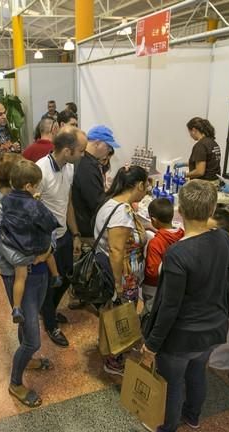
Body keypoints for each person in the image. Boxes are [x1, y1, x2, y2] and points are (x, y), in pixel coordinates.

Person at [142, 180, 229, 432]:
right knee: (197, 372)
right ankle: (192, 416)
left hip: (182, 335)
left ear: (180, 210)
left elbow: (169, 306)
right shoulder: (222, 238)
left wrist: (152, 344)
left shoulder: (178, 253)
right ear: (212, 211)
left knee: (172, 383)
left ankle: (167, 427)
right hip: (214, 327)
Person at [0, 153, 53, 408]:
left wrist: (47, 250)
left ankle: (29, 355)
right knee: (34, 337)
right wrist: (37, 255)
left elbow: (49, 228)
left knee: (31, 320)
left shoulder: (30, 200)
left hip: (39, 269)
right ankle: (15, 383)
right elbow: (5, 251)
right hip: (18, 273)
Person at [94, 165, 149, 375]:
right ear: (139, 185)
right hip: (121, 274)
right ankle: (114, 359)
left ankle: (114, 347)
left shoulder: (113, 203)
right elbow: (117, 250)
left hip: (117, 271)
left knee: (114, 312)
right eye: (146, 184)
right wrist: (118, 283)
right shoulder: (121, 212)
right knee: (120, 314)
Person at [36, 127, 87, 347]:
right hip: (46, 241)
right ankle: (50, 323)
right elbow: (32, 210)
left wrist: (75, 233)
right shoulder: (40, 170)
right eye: (81, 151)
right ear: (67, 151)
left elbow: (67, 203)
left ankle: (49, 311)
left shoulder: (69, 168)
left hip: (64, 235)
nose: (83, 155)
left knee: (66, 278)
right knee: (48, 284)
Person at [0, 160, 61, 324]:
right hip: (35, 245)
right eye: (36, 185)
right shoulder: (34, 205)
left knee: (20, 277)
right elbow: (49, 224)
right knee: (49, 251)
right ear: (28, 186)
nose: (37, 188)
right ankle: (56, 276)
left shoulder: (4, 201)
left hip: (16, 245)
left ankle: (17, 307)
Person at [72, 125, 120, 245]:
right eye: (108, 146)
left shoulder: (87, 162)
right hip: (86, 230)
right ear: (97, 143)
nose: (109, 151)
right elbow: (97, 202)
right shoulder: (87, 167)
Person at [144, 198, 185, 288]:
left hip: (155, 286)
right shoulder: (182, 234)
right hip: (175, 284)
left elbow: (153, 272)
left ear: (153, 220)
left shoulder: (155, 243)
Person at [184, 117, 221, 181]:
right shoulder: (213, 143)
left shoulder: (200, 145)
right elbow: (206, 162)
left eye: (189, 132)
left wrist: (184, 175)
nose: (190, 135)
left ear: (194, 130)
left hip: (203, 185)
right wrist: (184, 164)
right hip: (214, 182)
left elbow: (200, 171)